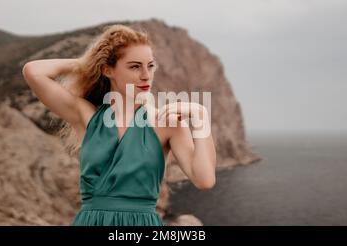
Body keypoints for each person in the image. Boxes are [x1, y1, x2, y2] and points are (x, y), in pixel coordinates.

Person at [21, 24, 216, 226]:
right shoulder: (88, 116)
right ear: (108, 70)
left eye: (150, 66)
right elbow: (33, 71)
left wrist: (200, 116)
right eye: (135, 66)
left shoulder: (167, 123)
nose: (146, 75)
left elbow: (204, 180)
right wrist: (89, 63)